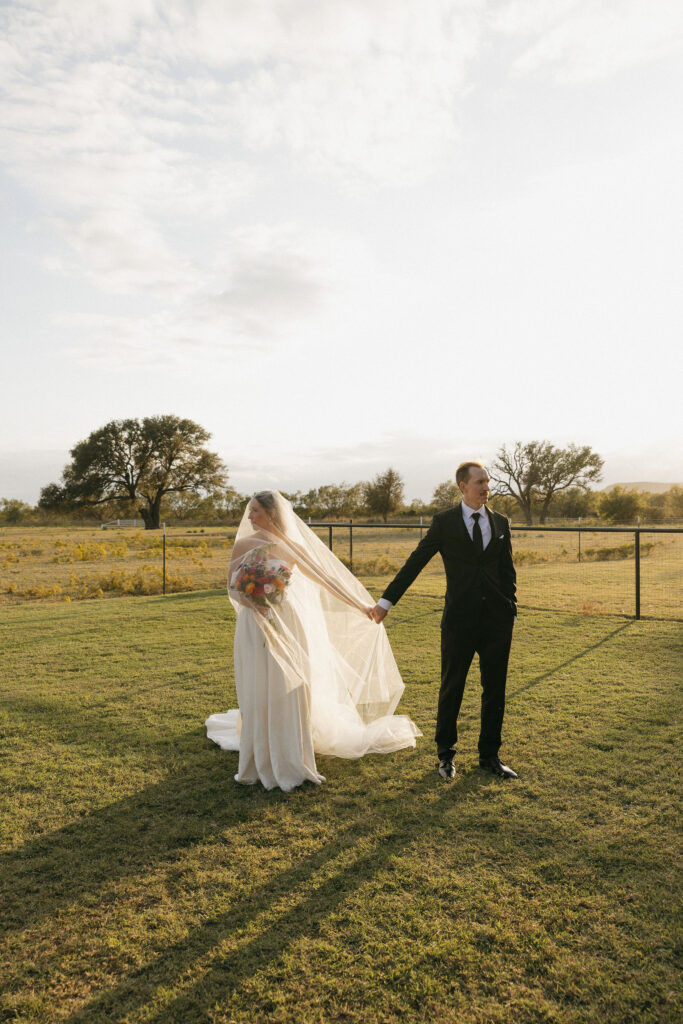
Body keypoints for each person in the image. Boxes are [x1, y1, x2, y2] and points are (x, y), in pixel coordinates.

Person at [206, 490, 420, 792]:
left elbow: (326, 578)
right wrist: (250, 601)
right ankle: (262, 746)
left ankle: (291, 748)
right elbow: (229, 584)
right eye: (250, 510)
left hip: (287, 621)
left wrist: (362, 606)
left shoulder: (292, 546)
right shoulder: (242, 544)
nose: (249, 517)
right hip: (253, 623)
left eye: (255, 511)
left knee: (289, 684)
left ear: (272, 514)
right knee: (259, 682)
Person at [371, 461, 518, 780]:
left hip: (497, 621)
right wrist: (386, 602)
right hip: (459, 622)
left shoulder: (502, 523)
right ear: (463, 486)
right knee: (452, 687)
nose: (486, 487)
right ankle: (446, 756)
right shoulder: (444, 523)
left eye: (488, 482)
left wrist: (511, 608)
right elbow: (415, 562)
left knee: (495, 690)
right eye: (480, 482)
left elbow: (508, 571)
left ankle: (490, 756)